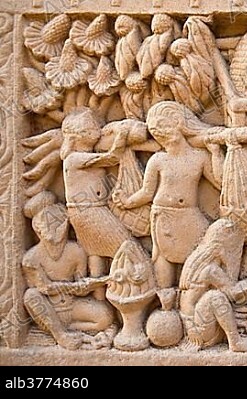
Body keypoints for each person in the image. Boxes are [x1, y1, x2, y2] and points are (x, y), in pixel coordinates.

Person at [113, 101, 225, 309]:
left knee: (197, 255)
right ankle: (166, 309)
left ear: (179, 124)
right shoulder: (158, 160)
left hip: (189, 216)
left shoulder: (199, 158)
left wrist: (216, 153)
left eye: (165, 127)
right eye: (157, 131)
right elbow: (147, 192)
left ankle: (189, 306)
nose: (163, 133)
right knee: (163, 258)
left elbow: (219, 183)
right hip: (163, 216)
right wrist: (127, 202)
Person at [22, 192, 115, 350]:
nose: (55, 234)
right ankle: (60, 335)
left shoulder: (76, 251)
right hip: (49, 310)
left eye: (59, 225)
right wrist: (71, 287)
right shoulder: (31, 258)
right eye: (48, 227)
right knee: (31, 296)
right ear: (38, 231)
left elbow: (79, 285)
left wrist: (88, 285)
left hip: (72, 307)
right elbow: (45, 288)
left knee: (105, 316)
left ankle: (73, 332)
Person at [61, 108, 133, 300]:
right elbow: (111, 158)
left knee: (95, 253)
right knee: (126, 246)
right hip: (90, 211)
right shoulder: (74, 158)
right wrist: (122, 134)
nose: (98, 131)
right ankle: (124, 290)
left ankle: (99, 298)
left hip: (85, 211)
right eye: (91, 130)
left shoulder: (80, 157)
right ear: (78, 136)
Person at [179, 219, 247, 352]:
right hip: (200, 331)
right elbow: (234, 293)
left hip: (197, 325)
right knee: (215, 297)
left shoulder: (198, 260)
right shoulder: (210, 270)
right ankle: (235, 342)